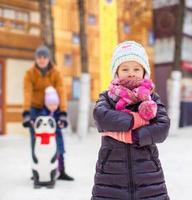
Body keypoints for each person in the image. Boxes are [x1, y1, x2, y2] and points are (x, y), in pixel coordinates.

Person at [91, 41, 170, 200]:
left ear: (144, 72)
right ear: (116, 72)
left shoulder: (152, 98)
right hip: (110, 176)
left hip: (148, 175)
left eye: (136, 69)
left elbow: (163, 126)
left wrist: (135, 136)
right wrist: (136, 120)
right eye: (125, 69)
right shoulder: (108, 97)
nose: (131, 73)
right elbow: (101, 116)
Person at [22, 45, 74, 181]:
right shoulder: (30, 73)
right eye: (39, 57)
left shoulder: (55, 72)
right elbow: (27, 92)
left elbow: (61, 90)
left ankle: (60, 170)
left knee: (56, 137)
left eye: (44, 57)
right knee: (36, 139)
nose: (42, 60)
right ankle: (36, 170)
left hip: (51, 108)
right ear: (36, 58)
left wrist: (62, 111)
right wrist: (26, 112)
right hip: (35, 108)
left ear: (48, 58)